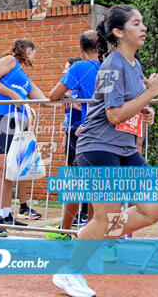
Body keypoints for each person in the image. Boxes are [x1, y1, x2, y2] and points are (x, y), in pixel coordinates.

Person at [52, 5, 158, 297]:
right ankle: (69, 272)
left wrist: (145, 111)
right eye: (136, 23)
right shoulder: (111, 65)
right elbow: (113, 115)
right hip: (98, 146)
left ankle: (91, 235)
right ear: (118, 31)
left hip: (125, 148)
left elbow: (124, 108)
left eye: (143, 23)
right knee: (106, 216)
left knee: (154, 207)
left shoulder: (134, 65)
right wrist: (150, 93)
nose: (143, 28)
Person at [0, 39, 51, 236]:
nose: (34, 57)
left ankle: (6, 214)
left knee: (11, 171)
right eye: (34, 53)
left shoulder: (26, 78)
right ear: (28, 50)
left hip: (19, 124)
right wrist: (12, 94)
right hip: (1, 118)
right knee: (0, 168)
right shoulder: (9, 61)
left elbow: (45, 99)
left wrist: (67, 103)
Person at [47, 32, 101, 239]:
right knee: (100, 186)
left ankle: (65, 230)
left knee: (76, 183)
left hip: (89, 132)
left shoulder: (79, 67)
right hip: (111, 132)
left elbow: (53, 95)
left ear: (80, 50)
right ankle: (92, 230)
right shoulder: (110, 66)